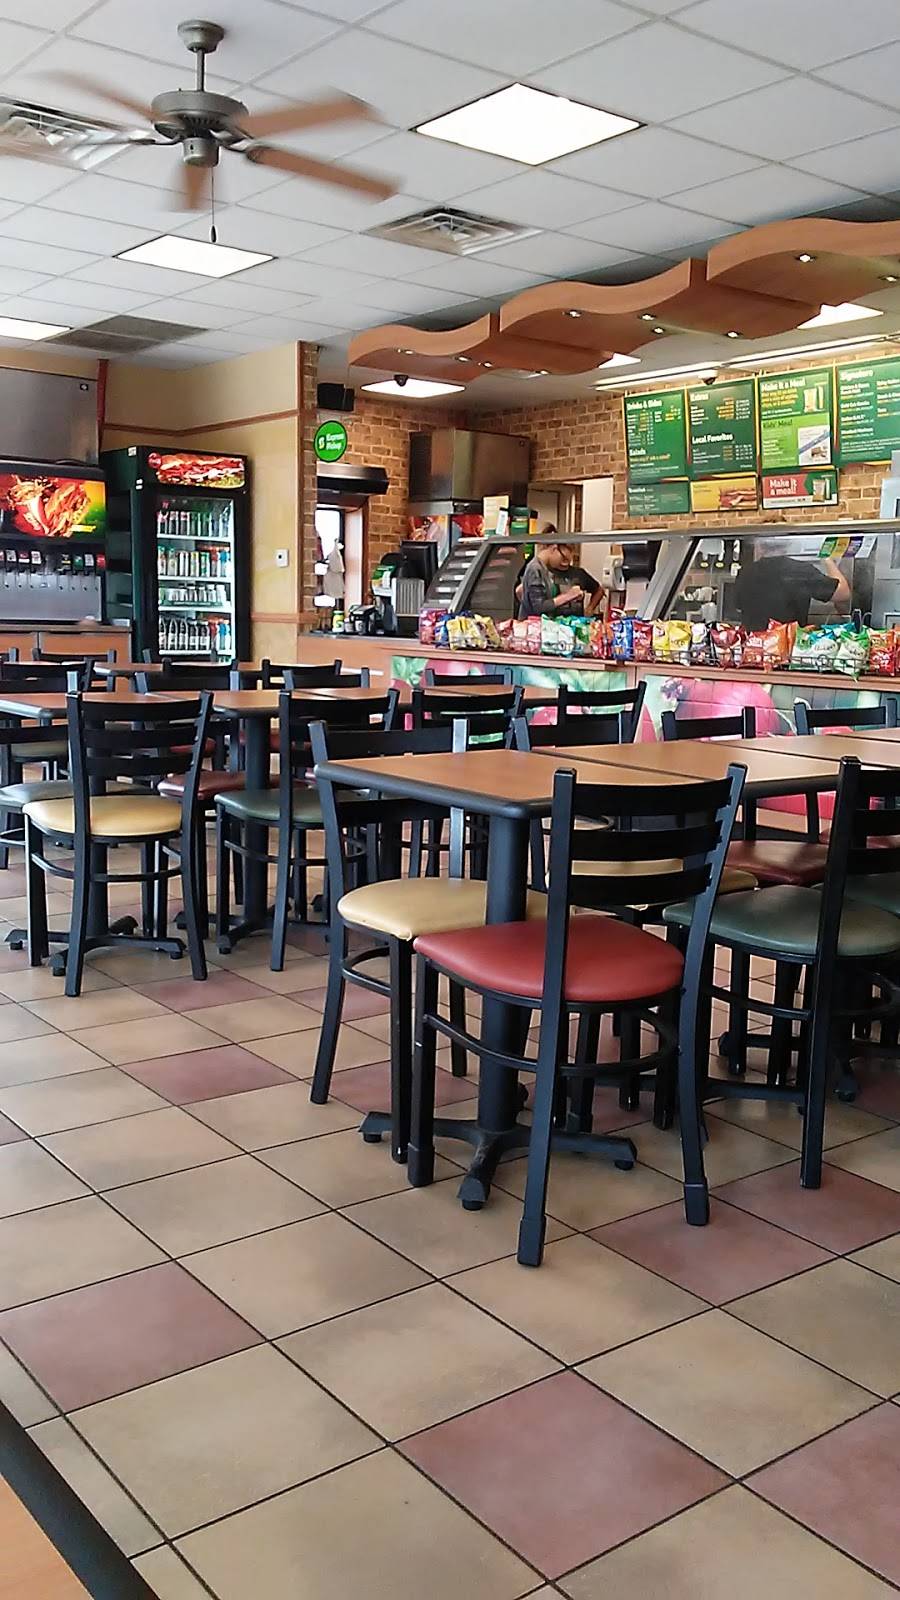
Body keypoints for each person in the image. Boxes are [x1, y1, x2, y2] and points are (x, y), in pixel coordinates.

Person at [733, 541, 850, 631]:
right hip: (788, 647)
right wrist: (828, 559)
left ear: (759, 545)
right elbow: (843, 593)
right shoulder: (800, 570)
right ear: (787, 545)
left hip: (753, 647)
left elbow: (738, 607)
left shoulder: (745, 572)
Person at [516, 528, 605, 619]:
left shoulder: (543, 569)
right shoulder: (535, 568)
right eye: (562, 557)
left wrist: (589, 608)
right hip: (535, 625)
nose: (562, 562)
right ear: (554, 548)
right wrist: (568, 595)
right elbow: (539, 607)